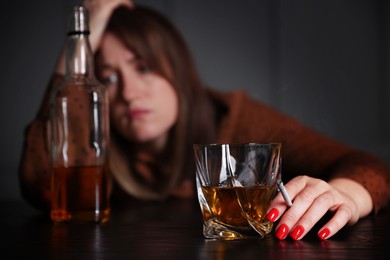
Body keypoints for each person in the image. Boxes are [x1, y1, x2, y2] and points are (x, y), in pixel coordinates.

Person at [19, 0, 390, 241]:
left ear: (176, 70)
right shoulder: (94, 139)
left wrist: (350, 195)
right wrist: (84, 32)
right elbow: (41, 185)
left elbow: (370, 168)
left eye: (144, 68)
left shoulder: (235, 117)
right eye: (109, 78)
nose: (129, 92)